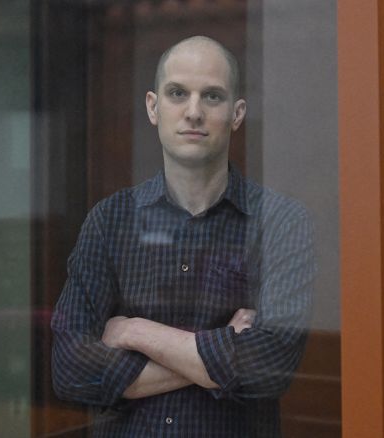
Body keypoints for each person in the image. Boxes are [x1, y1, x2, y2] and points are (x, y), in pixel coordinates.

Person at [51, 35, 315, 437]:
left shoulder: (281, 223)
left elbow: (267, 370)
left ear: (237, 113)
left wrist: (135, 332)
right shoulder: (110, 220)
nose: (193, 111)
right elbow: (70, 371)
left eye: (212, 96)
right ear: (153, 107)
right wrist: (224, 350)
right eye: (178, 93)